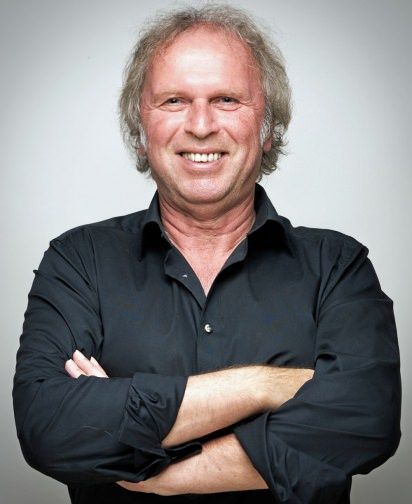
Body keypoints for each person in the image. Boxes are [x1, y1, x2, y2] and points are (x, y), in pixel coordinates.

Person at [13, 4, 401, 503]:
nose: (200, 125)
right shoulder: (78, 261)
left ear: (268, 127)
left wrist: (153, 467)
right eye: (174, 100)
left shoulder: (339, 267)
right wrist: (262, 386)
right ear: (140, 127)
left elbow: (367, 420)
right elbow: (49, 428)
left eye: (227, 100)